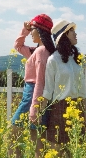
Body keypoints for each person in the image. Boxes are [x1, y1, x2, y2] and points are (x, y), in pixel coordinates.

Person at [8, 14, 56, 158]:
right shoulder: (39, 51)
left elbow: (40, 81)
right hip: (37, 96)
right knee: (36, 138)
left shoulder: (40, 52)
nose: (31, 34)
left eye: (33, 30)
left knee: (12, 133)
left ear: (40, 31)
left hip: (33, 95)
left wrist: (34, 110)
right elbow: (18, 45)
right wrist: (25, 29)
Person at [41, 19, 86, 154]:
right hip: (59, 108)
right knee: (57, 151)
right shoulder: (53, 60)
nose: (75, 34)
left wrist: (85, 113)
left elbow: (82, 90)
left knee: (74, 150)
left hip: (77, 107)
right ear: (64, 36)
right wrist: (40, 114)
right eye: (72, 31)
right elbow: (48, 90)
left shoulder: (76, 58)